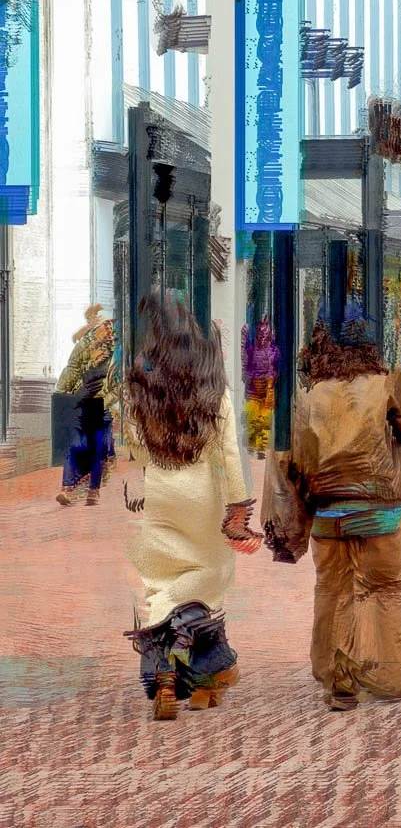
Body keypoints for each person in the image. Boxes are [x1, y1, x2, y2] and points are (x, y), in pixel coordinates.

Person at [293, 300, 401, 711]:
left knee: (332, 590)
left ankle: (337, 673)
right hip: (381, 513)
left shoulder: (309, 394)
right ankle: (387, 675)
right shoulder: (386, 383)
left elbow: (294, 461)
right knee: (384, 591)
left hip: (327, 514)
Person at [122, 293, 259, 721]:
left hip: (161, 488)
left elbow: (134, 444)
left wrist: (145, 479)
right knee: (209, 579)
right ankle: (205, 674)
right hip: (203, 493)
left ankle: (165, 671)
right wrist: (237, 508)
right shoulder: (209, 378)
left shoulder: (142, 376)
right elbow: (228, 454)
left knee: (161, 584)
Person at [56, 305, 118, 506]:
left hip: (91, 403)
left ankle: (78, 489)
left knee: (79, 445)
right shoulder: (110, 346)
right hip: (93, 403)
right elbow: (73, 369)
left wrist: (64, 392)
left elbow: (72, 370)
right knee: (93, 448)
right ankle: (87, 490)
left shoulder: (92, 345)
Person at [242, 319, 279, 459]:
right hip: (254, 388)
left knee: (264, 419)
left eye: (265, 335)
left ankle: (261, 447)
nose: (262, 339)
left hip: (267, 388)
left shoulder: (274, 351)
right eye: (259, 335)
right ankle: (253, 445)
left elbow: (276, 369)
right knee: (253, 417)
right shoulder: (252, 350)